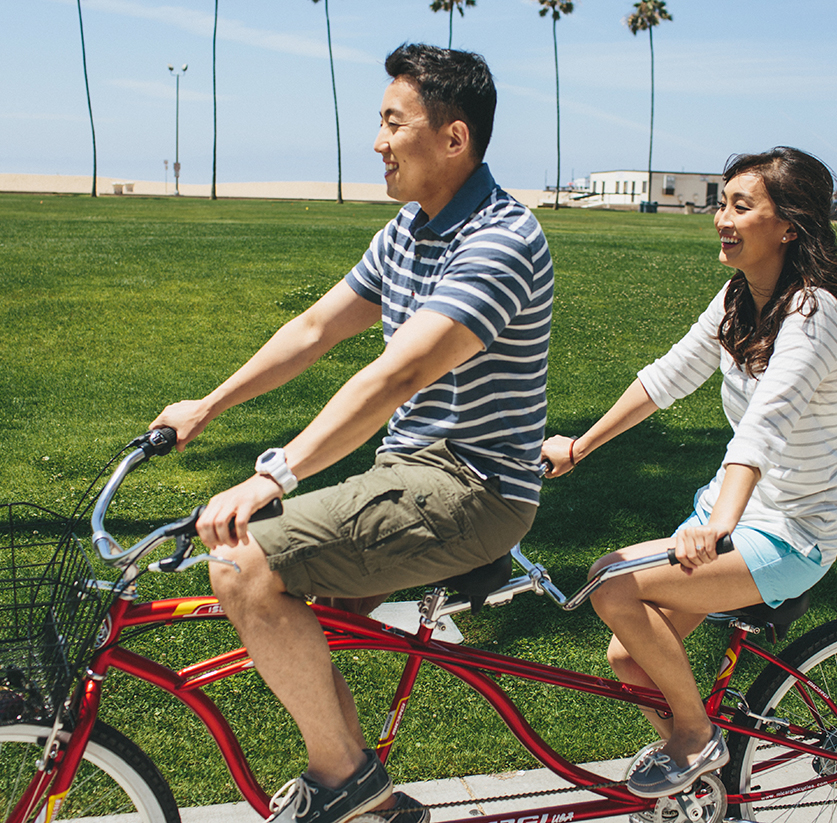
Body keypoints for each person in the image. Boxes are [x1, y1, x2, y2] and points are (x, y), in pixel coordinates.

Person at [152, 43, 551, 823]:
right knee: (280, 588)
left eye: (392, 123)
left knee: (241, 562)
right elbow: (314, 328)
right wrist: (210, 402)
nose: (377, 141)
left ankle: (346, 778)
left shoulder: (501, 240)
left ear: (453, 138)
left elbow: (395, 377)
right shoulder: (408, 230)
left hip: (476, 486)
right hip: (411, 470)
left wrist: (275, 474)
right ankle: (365, 794)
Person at [540, 147, 837, 802]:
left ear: (789, 225)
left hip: (792, 531)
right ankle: (706, 782)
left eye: (742, 206)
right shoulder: (740, 297)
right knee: (630, 657)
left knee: (612, 585)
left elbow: (763, 427)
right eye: (722, 203)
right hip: (732, 510)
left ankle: (694, 738)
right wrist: (581, 446)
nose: (722, 218)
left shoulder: (812, 315)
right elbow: (668, 376)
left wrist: (717, 526)